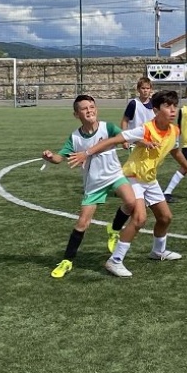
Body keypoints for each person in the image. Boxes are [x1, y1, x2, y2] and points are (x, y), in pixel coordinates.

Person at [69, 90, 187, 278]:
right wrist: (87, 153)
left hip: (149, 179)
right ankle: (115, 261)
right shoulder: (145, 129)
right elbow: (115, 139)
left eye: (175, 106)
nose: (173, 110)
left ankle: (158, 252)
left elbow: (175, 151)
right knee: (140, 218)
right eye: (168, 106)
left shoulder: (174, 130)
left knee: (165, 218)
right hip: (132, 177)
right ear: (156, 110)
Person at [42, 95, 137, 278]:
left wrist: (126, 143)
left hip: (114, 176)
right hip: (93, 184)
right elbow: (60, 158)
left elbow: (122, 137)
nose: (89, 110)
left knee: (131, 203)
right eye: (84, 108)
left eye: (92, 107)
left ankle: (114, 229)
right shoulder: (75, 137)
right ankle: (67, 260)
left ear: (97, 109)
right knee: (82, 223)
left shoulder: (107, 127)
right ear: (76, 114)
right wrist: (50, 156)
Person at [120, 76, 154, 150]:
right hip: (136, 143)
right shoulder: (134, 104)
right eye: (143, 88)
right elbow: (125, 121)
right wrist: (124, 139)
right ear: (138, 89)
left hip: (151, 143)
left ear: (151, 90)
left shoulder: (154, 103)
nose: (145, 90)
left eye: (147, 88)